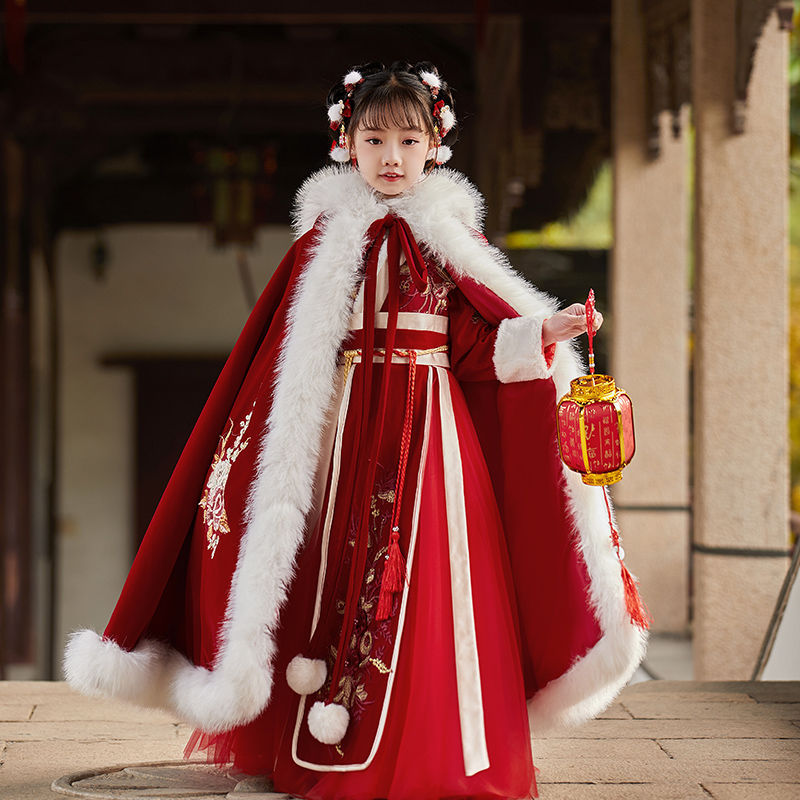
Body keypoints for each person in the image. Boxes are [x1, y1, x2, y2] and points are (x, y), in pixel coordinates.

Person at [64, 60, 649, 800]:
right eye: (376, 140)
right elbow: (276, 362)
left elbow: (469, 349)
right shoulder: (321, 246)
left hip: (433, 441)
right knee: (327, 576)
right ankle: (323, 750)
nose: (393, 157)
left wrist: (546, 330)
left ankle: (435, 754)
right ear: (348, 144)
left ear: (436, 145)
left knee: (436, 585)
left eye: (409, 139)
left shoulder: (449, 242)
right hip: (341, 443)